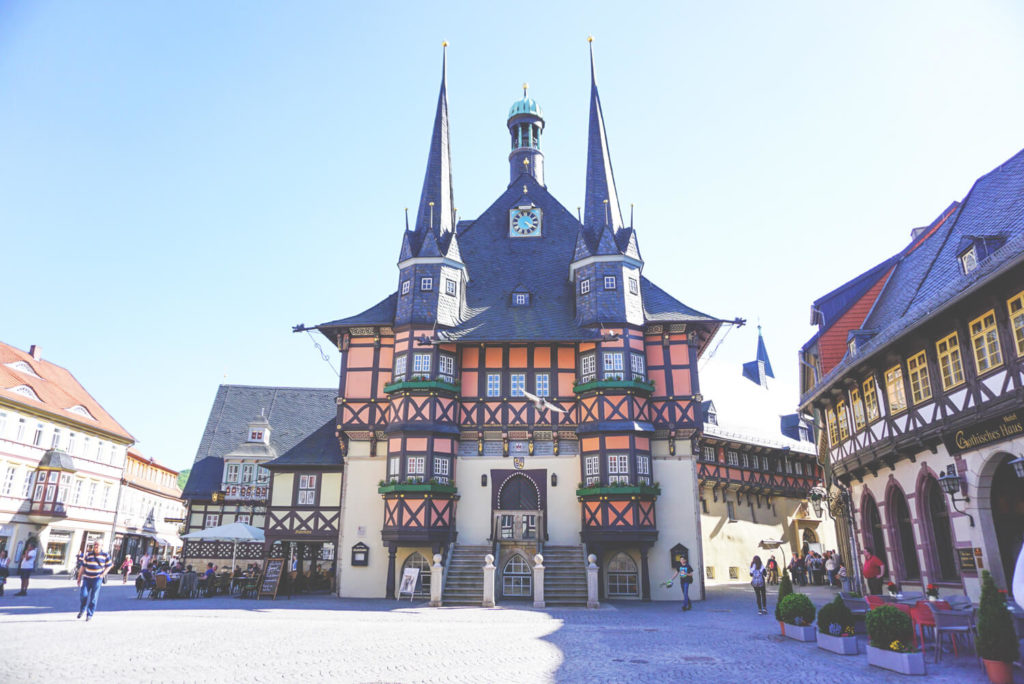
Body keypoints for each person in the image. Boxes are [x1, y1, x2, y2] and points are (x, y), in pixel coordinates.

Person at [76, 540, 112, 621]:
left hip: (97, 579)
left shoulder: (105, 555)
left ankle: (89, 614)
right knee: (83, 595)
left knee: (94, 597)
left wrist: (103, 574)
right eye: (95, 544)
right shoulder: (88, 555)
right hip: (87, 578)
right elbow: (82, 566)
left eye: (98, 545)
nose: (96, 546)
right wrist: (79, 577)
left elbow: (109, 565)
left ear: (102, 546)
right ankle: (82, 610)